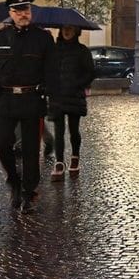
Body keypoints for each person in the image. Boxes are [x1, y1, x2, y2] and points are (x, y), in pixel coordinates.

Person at [0, 0, 54, 214]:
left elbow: (51, 71)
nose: (23, 14)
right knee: (3, 145)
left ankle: (28, 193)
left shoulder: (43, 38)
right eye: (18, 10)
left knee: (32, 151)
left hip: (31, 99)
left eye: (26, 9)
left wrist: (50, 98)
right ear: (11, 13)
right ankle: (13, 182)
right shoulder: (1, 37)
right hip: (5, 99)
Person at [46, 24, 96, 181]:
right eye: (64, 29)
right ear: (60, 30)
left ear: (76, 32)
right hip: (58, 96)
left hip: (74, 96)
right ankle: (59, 162)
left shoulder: (82, 51)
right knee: (58, 131)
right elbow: (48, 70)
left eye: (71, 29)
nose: (67, 31)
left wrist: (78, 84)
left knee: (74, 130)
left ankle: (75, 157)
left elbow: (90, 72)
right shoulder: (53, 51)